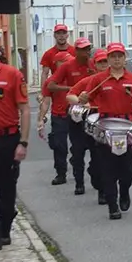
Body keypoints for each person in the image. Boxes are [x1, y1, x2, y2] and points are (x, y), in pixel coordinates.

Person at [76, 43, 132, 219]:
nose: (116, 59)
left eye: (119, 55)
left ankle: (124, 190)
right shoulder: (99, 79)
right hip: (106, 126)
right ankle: (112, 206)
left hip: (126, 126)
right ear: (109, 59)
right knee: (107, 168)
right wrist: (83, 98)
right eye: (113, 56)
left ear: (124, 57)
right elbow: (86, 98)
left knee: (127, 167)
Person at [48, 39, 100, 197]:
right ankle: (78, 182)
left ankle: (94, 171)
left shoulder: (94, 65)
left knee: (96, 149)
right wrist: (71, 89)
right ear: (76, 51)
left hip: (94, 112)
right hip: (76, 112)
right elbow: (50, 85)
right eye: (84, 49)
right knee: (76, 149)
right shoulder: (67, 66)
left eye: (89, 49)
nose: (87, 52)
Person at [0, 48, 30, 252]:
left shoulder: (12, 75)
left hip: (7, 139)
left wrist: (23, 142)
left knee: (7, 186)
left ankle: (5, 227)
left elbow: (24, 109)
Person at [65, 49, 110, 206]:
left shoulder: (116, 80)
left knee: (105, 158)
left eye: (106, 61)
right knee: (87, 154)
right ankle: (93, 183)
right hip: (90, 120)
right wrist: (82, 102)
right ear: (95, 64)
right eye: (100, 62)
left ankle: (105, 190)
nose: (103, 65)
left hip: (109, 121)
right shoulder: (89, 81)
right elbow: (70, 95)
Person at [42, 49, 76, 187]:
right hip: (59, 116)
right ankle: (61, 173)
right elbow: (45, 101)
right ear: (57, 64)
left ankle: (76, 159)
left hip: (75, 116)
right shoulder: (51, 81)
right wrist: (41, 117)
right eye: (65, 62)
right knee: (59, 146)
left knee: (80, 145)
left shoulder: (74, 77)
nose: (68, 64)